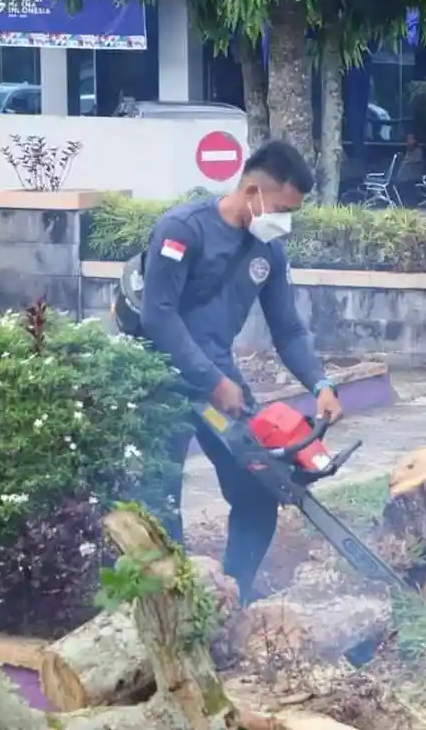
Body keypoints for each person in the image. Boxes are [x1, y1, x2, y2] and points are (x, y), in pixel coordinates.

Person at [140, 140, 344, 603]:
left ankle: (234, 597)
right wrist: (212, 382)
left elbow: (288, 330)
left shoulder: (267, 252)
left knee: (258, 484)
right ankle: (170, 606)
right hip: (159, 378)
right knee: (159, 502)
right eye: (281, 208)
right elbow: (159, 317)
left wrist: (321, 384)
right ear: (253, 191)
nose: (284, 221)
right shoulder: (183, 229)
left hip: (219, 377)